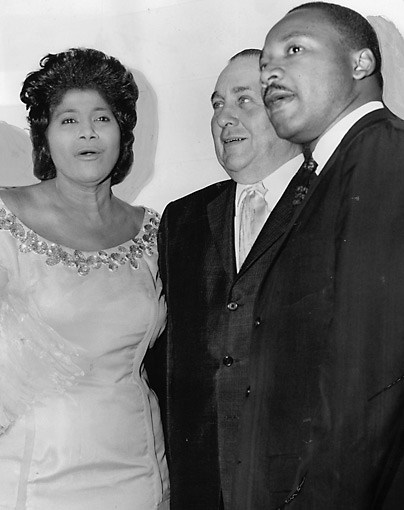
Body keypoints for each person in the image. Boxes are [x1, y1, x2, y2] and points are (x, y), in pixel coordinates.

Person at [231, 2, 404, 509]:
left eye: (294, 50)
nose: (271, 74)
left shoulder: (382, 158)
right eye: (265, 65)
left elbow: (368, 378)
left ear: (361, 64)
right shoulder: (333, 170)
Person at [0, 48, 169, 510]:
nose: (88, 132)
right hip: (34, 476)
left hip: (138, 469)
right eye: (68, 120)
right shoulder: (4, 217)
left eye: (102, 118)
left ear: (122, 134)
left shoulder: (155, 231)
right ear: (45, 137)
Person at [152, 49, 302, 509]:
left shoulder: (334, 200)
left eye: (243, 100)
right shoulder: (182, 218)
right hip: (201, 488)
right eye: (217, 104)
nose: (224, 118)